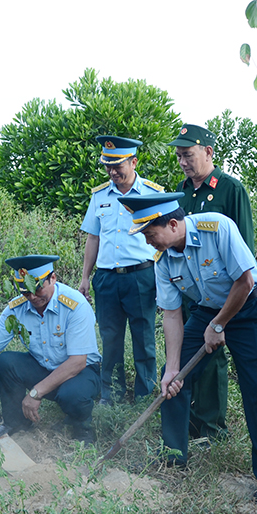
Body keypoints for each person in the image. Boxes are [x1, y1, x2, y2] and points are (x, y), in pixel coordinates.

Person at [118, 192, 257, 505]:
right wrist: (171, 368)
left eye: (150, 235)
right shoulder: (163, 259)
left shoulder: (217, 227)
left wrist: (220, 325)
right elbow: (170, 314)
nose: (148, 242)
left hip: (247, 308)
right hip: (207, 311)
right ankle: (173, 455)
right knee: (174, 382)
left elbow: (245, 281)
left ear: (171, 224)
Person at [171, 123, 255, 443]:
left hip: (228, 290)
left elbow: (243, 245)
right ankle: (190, 423)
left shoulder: (230, 189)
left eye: (188, 155)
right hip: (192, 290)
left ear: (207, 152)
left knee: (214, 357)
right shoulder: (180, 193)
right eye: (179, 156)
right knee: (189, 356)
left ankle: (213, 428)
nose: (183, 162)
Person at [0, 255, 102, 443]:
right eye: (26, 292)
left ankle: (81, 430)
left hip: (80, 373)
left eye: (37, 289)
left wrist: (36, 392)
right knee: (4, 362)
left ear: (53, 278)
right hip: (44, 367)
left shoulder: (75, 305)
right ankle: (16, 423)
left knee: (72, 394)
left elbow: (78, 362)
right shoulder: (16, 309)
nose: (33, 297)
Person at [79, 135, 163, 405]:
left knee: (144, 338)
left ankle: (144, 395)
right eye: (108, 166)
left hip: (141, 276)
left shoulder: (153, 193)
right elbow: (93, 237)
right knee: (110, 338)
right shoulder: (100, 196)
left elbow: (165, 240)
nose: (113, 172)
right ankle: (111, 395)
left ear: (134, 162)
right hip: (106, 279)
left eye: (118, 165)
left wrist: (163, 279)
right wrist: (85, 277)